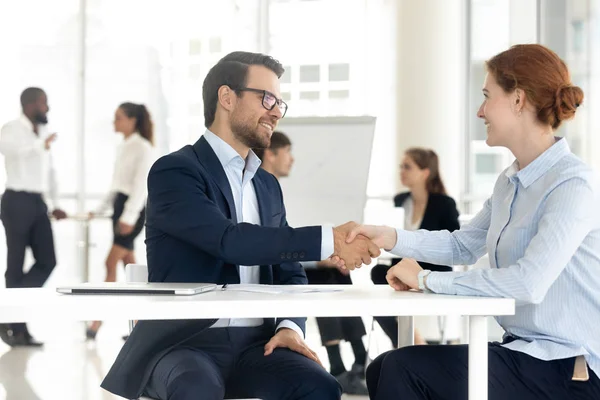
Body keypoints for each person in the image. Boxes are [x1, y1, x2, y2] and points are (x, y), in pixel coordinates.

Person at [100, 51, 380, 400]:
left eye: (280, 102)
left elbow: (289, 272)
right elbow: (229, 241)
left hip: (257, 345)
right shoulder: (176, 171)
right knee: (195, 388)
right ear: (227, 97)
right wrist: (331, 239)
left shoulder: (267, 185)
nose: (276, 111)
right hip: (186, 345)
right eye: (267, 98)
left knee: (320, 387)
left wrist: (291, 326)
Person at [345, 44, 600, 399]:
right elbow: (462, 245)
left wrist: (424, 279)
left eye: (486, 95)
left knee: (403, 370)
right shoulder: (509, 182)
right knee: (384, 366)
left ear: (518, 100)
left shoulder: (572, 184)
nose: (480, 111)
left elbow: (528, 282)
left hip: (569, 369)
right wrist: (389, 237)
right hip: (522, 352)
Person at [258, 131, 369, 395]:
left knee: (335, 274)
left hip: (281, 263)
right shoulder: (261, 188)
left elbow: (283, 243)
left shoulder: (270, 187)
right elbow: (272, 248)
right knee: (322, 278)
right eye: (288, 152)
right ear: (271, 153)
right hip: (264, 270)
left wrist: (322, 261)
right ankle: (342, 365)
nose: (292, 160)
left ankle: (358, 359)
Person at [370, 148, 459, 347]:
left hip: (431, 268)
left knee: (386, 284)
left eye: (407, 167)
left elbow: (454, 242)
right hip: (401, 268)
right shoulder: (400, 200)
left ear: (424, 172)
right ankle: (414, 342)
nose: (402, 171)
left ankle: (409, 343)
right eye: (401, 166)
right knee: (378, 274)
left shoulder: (444, 204)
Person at [0, 87, 67, 347]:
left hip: (38, 202)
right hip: (16, 200)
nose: (46, 108)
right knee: (15, 265)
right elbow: (11, 152)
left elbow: (50, 173)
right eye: (43, 103)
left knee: (47, 261)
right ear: (28, 104)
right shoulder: (12, 129)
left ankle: (7, 313)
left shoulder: (41, 135)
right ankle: (19, 330)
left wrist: (56, 204)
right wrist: (41, 144)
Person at [86, 102, 155, 339]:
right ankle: (140, 325)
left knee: (110, 263)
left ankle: (96, 322)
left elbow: (139, 186)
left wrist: (128, 216)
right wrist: (97, 210)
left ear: (132, 120)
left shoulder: (143, 147)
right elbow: (116, 186)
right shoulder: (124, 146)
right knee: (131, 268)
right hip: (119, 208)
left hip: (131, 211)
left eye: (119, 118)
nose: (115, 122)